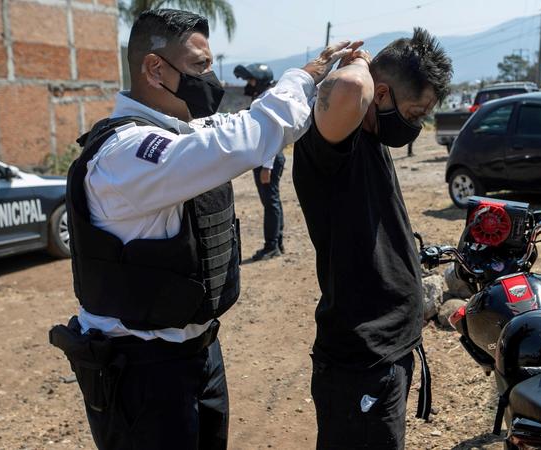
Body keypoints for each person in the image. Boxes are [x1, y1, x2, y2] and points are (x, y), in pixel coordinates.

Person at [48, 9, 355, 450]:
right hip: (141, 371)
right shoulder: (126, 153)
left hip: (195, 353)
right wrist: (302, 76)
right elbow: (246, 137)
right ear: (155, 69)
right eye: (200, 66)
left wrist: (321, 84)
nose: (210, 79)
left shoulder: (176, 132)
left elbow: (247, 127)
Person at [293, 28, 453, 449]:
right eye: (415, 113)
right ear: (379, 93)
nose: (415, 126)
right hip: (359, 360)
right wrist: (360, 62)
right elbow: (347, 86)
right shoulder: (330, 141)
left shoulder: (371, 136)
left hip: (386, 353)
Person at [234, 63, 286, 260]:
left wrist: (267, 166)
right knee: (273, 202)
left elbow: (272, 133)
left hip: (268, 157)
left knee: (270, 202)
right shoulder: (263, 98)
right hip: (267, 157)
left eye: (251, 80)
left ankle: (271, 246)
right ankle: (277, 243)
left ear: (261, 81)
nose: (249, 83)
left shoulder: (267, 100)